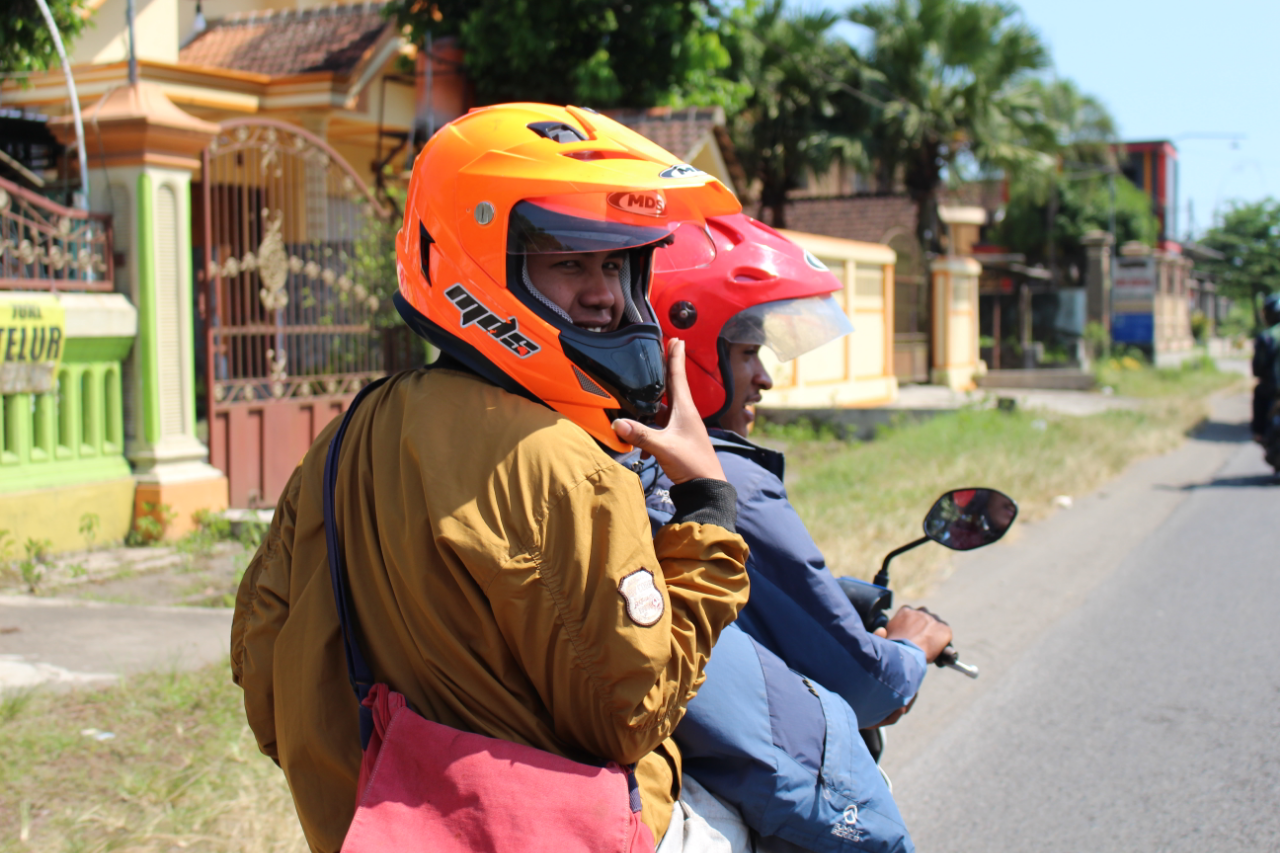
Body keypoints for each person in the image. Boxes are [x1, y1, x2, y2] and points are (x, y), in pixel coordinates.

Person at [230, 103, 750, 852]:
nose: (605, 295)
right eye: (570, 263)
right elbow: (632, 713)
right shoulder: (563, 465)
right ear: (477, 267)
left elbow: (262, 660)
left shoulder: (344, 439)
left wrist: (377, 766)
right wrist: (707, 509)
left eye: (618, 264)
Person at [638, 214, 954, 850]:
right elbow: (861, 682)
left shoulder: (627, 459)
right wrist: (913, 649)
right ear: (688, 348)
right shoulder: (724, 482)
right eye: (748, 350)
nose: (765, 375)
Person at [1251, 293, 1280, 442]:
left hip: (1273, 390)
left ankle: (1259, 433)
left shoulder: (1267, 336)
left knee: (1259, 391)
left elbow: (1257, 369)